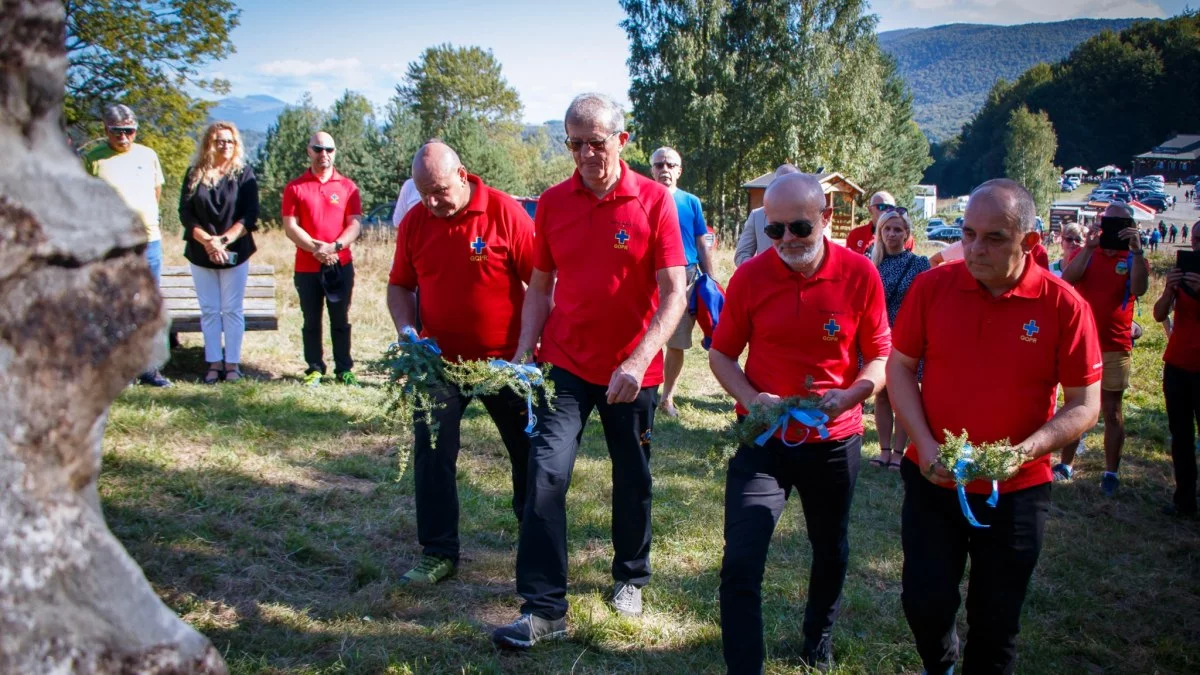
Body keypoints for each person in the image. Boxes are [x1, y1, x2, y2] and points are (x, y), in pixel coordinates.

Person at [491, 93, 687, 649]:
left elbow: (675, 292)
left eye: (594, 144)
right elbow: (540, 285)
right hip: (566, 364)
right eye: (573, 144)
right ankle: (544, 608)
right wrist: (523, 352)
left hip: (632, 372)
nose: (583, 155)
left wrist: (639, 359)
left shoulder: (653, 201)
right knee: (545, 476)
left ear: (621, 142)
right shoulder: (552, 203)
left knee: (633, 479)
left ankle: (630, 577)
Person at [887, 179, 1102, 675]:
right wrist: (923, 445)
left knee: (996, 620)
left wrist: (1025, 451)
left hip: (1018, 491)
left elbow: (1085, 404)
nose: (975, 249)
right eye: (967, 234)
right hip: (933, 477)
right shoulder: (933, 287)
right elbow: (899, 368)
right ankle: (939, 664)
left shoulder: (1063, 305)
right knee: (924, 602)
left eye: (994, 238)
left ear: (1029, 242)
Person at [709, 173, 889, 673]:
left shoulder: (859, 274)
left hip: (833, 441)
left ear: (827, 218)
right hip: (763, 438)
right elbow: (722, 356)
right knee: (742, 559)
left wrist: (852, 393)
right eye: (775, 230)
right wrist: (752, 398)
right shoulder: (750, 277)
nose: (787, 240)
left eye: (800, 228)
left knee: (829, 548)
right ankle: (744, 667)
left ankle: (818, 638)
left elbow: (879, 356)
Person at [386, 141, 536, 583]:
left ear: (463, 174)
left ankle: (534, 536)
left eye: (438, 191)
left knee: (529, 453)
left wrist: (527, 349)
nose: (431, 202)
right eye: (422, 193)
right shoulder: (414, 223)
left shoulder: (505, 213)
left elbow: (542, 284)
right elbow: (399, 286)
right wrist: (407, 333)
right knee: (432, 454)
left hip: (504, 362)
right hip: (439, 364)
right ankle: (438, 551)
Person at [1057, 203, 1149, 492]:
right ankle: (1065, 464)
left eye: (1118, 223)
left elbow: (1139, 290)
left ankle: (1110, 473)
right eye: (1107, 222)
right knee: (1074, 406)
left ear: (1130, 225)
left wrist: (1136, 250)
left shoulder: (1134, 257)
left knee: (1112, 411)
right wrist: (1088, 247)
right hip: (1083, 343)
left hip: (1116, 343)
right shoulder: (1086, 252)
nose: (1112, 228)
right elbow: (1068, 280)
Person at [83, 103, 171, 387]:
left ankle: (149, 368)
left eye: (129, 131)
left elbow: (155, 193)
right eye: (116, 131)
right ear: (105, 130)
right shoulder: (93, 159)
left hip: (148, 241)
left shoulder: (148, 155)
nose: (123, 137)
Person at [179, 122, 260, 384]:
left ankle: (232, 365)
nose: (225, 145)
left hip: (235, 252)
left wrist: (223, 241)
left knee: (232, 310)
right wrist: (208, 242)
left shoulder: (244, 174)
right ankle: (214, 363)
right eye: (219, 140)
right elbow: (186, 214)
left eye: (230, 141)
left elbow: (250, 215)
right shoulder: (194, 174)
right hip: (201, 252)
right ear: (208, 144)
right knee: (210, 310)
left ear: (236, 145)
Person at [281, 132, 363, 386]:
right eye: (318, 149)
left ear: (335, 152)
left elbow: (355, 225)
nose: (323, 154)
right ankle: (315, 368)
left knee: (340, 319)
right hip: (307, 266)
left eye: (329, 149)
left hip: (340, 264)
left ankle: (344, 369)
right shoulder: (295, 187)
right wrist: (315, 248)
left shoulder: (348, 187)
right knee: (311, 320)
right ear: (309, 151)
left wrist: (334, 247)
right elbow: (290, 226)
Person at [651, 146, 715, 418]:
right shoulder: (643, 198)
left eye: (670, 164)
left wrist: (710, 279)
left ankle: (667, 398)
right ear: (652, 169)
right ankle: (641, 393)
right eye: (659, 164)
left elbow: (702, 240)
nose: (665, 169)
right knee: (644, 336)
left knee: (676, 342)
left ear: (679, 170)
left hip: (685, 278)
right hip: (649, 278)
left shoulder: (691, 202)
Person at [867, 208, 930, 471]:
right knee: (881, 394)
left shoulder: (919, 264)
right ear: (879, 232)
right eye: (887, 229)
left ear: (907, 233)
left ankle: (899, 452)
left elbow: (926, 303)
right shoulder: (869, 263)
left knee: (904, 394)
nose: (892, 234)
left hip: (907, 336)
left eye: (897, 229)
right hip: (878, 335)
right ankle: (883, 449)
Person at [1153, 222, 1200, 517]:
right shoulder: (1183, 277)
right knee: (1180, 435)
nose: (1196, 244)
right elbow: (1159, 314)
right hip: (1177, 365)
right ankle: (1184, 500)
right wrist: (1170, 290)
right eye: (1194, 239)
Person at [734, 164, 801, 266]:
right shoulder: (757, 216)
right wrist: (760, 271)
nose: (787, 189)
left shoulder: (809, 215)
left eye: (792, 184)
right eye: (781, 184)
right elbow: (742, 254)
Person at [844, 191, 915, 256]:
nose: (886, 211)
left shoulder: (904, 238)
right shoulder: (856, 235)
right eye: (881, 207)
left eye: (891, 208)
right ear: (870, 210)